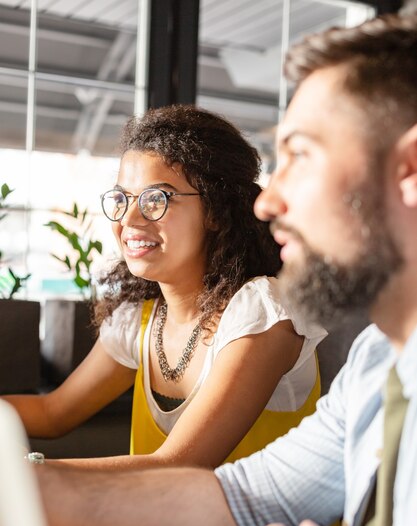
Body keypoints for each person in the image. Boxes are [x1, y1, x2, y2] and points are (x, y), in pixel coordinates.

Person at [30, 12, 417, 526]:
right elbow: (236, 501)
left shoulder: (263, 309)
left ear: (409, 170)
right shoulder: (377, 365)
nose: (266, 200)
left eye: (300, 154)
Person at [4, 105, 325, 469]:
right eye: (122, 199)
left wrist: (24, 478)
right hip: (156, 525)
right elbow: (53, 413)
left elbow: (175, 467)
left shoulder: (262, 311)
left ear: (217, 211)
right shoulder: (138, 321)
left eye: (156, 199)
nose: (129, 219)